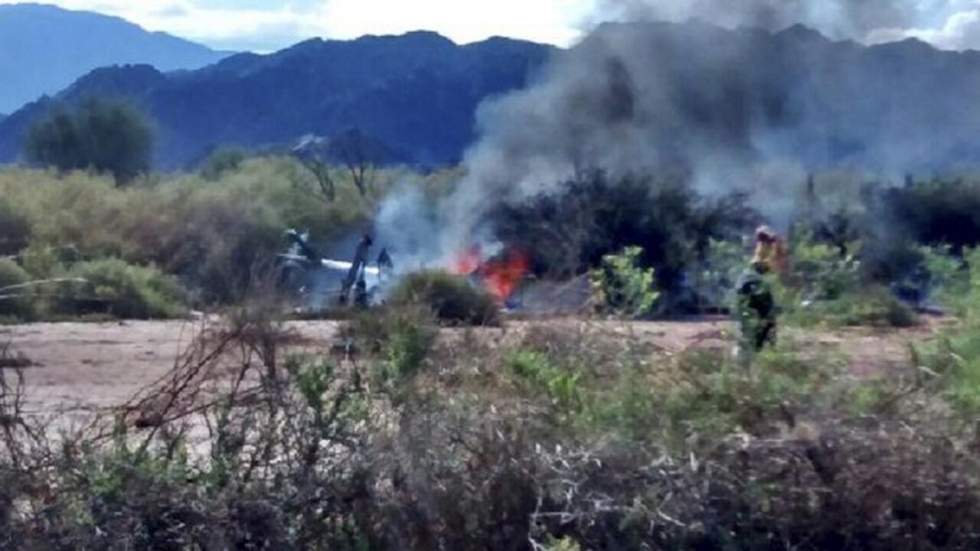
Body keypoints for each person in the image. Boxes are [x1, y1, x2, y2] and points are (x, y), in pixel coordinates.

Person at [734, 259, 777, 364]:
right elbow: (761, 298)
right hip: (754, 313)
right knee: (756, 336)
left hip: (749, 313)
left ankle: (748, 359)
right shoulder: (755, 279)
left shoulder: (746, 277)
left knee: (749, 336)